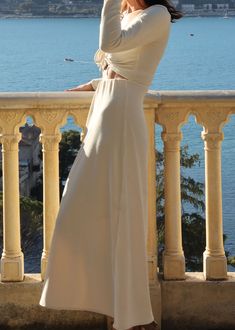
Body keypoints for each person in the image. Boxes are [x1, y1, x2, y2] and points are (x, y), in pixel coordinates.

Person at [39, 1, 183, 330]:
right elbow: (116, 65)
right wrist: (95, 83)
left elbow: (111, 45)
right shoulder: (126, 14)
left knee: (123, 213)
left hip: (122, 116)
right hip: (105, 110)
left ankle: (131, 316)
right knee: (79, 208)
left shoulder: (157, 15)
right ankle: (107, 303)